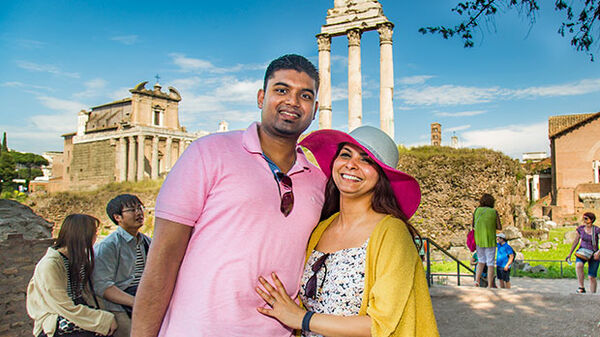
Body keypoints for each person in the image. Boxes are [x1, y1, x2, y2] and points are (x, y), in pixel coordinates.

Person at [131, 54, 325, 337]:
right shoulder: (207, 153)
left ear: (315, 108)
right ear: (261, 97)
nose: (292, 101)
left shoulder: (319, 182)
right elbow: (162, 258)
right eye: (281, 90)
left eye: (304, 95)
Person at [255, 126, 439, 336]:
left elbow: (380, 325)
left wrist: (302, 319)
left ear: (381, 176)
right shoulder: (322, 227)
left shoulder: (391, 233)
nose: (351, 165)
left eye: (366, 160)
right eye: (345, 154)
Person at [26, 214, 118, 337]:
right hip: (57, 317)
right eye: (93, 233)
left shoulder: (77, 259)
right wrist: (101, 320)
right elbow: (63, 306)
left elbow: (85, 294)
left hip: (76, 311)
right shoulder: (50, 265)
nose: (95, 237)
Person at [93, 194, 151, 337]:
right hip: (120, 305)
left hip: (144, 300)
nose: (139, 213)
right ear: (117, 217)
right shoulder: (109, 246)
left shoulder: (147, 242)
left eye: (140, 208)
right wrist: (136, 302)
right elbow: (102, 286)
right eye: (132, 210)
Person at [566, 212, 600, 293]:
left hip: (594, 253)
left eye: (586, 218)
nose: (584, 220)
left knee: (592, 276)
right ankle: (581, 287)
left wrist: (598, 253)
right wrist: (570, 253)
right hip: (582, 252)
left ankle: (592, 295)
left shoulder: (596, 230)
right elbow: (576, 241)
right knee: (578, 265)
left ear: (591, 220)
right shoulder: (580, 229)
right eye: (583, 218)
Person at [472, 193, 501, 288]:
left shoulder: (476, 211)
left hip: (479, 240)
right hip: (490, 240)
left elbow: (473, 225)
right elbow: (499, 227)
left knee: (481, 261)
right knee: (490, 263)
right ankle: (489, 284)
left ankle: (476, 281)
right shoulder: (494, 212)